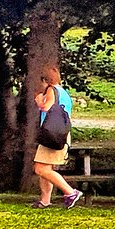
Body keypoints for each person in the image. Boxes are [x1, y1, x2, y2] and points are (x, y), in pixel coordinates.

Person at [30, 68, 83, 208]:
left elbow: (47, 107)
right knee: (46, 168)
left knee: (40, 169)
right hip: (61, 134)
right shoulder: (64, 93)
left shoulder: (51, 90)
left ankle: (70, 192)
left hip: (51, 134)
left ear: (45, 80)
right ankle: (45, 200)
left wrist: (39, 101)